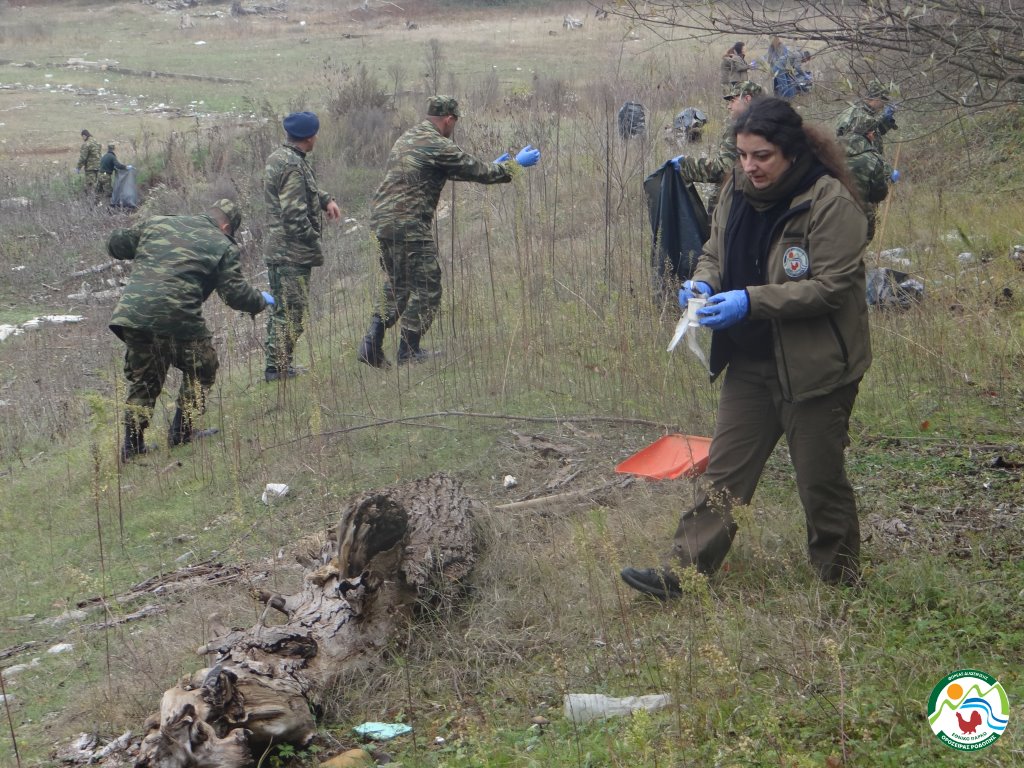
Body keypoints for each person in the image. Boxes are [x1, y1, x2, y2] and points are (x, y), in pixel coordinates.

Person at [621, 97, 871, 596]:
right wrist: (703, 282)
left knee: (819, 480)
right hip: (751, 361)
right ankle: (683, 573)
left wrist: (750, 301)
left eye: (762, 156)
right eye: (742, 155)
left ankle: (840, 578)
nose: (749, 166)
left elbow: (830, 288)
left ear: (791, 152)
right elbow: (715, 250)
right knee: (724, 477)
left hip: (817, 367)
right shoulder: (736, 189)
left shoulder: (830, 202)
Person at [357, 95, 541, 368]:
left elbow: (447, 169)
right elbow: (477, 171)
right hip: (408, 222)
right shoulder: (439, 144)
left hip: (382, 221)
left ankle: (371, 344)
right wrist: (513, 166)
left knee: (398, 283)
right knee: (428, 286)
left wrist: (493, 166)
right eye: (454, 122)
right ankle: (409, 351)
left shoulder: (408, 138)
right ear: (448, 119)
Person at [107, 199, 274, 462]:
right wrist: (260, 300)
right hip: (178, 316)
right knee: (203, 366)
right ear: (227, 227)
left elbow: (116, 244)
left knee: (145, 379)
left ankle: (132, 446)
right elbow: (235, 294)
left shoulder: (158, 223)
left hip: (133, 315)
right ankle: (182, 432)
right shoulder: (222, 245)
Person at [262, 111, 341, 382]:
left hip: (280, 250)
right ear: (309, 137)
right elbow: (294, 216)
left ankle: (278, 365)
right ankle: (277, 369)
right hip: (290, 253)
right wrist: (313, 239)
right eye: (315, 134)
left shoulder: (281, 157)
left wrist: (325, 199)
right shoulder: (293, 166)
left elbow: (305, 190)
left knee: (283, 310)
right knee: (291, 313)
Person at [670, 80, 763, 213]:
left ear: (747, 99)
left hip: (734, 206)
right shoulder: (767, 123)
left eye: (732, 101)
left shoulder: (744, 128)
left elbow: (723, 170)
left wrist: (686, 165)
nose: (729, 106)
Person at [835, 80, 898, 155]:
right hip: (851, 159)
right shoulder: (855, 112)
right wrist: (883, 116)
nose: (883, 105)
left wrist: (887, 121)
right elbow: (860, 132)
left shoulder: (869, 113)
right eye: (882, 101)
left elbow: (875, 132)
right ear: (875, 98)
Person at [76, 129, 102, 197]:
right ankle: (99, 199)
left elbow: (83, 157)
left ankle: (91, 200)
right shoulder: (97, 142)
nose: (83, 139)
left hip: (90, 168)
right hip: (99, 166)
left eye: (82, 137)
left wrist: (78, 167)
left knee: (90, 185)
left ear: (84, 136)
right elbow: (100, 154)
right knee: (97, 184)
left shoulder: (86, 144)